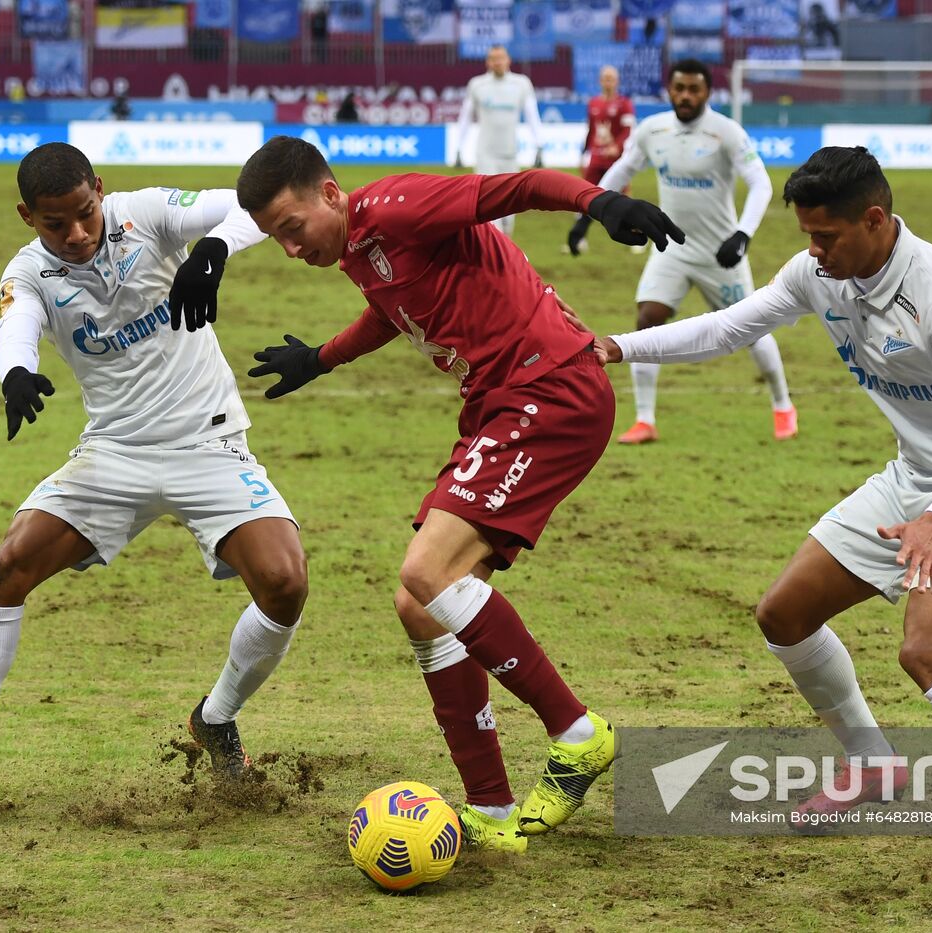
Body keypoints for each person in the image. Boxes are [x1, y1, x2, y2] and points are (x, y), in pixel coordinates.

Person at [597, 146, 932, 900]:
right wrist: (613, 347)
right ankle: (873, 764)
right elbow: (727, 327)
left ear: (876, 220)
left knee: (927, 649)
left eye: (826, 237)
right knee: (783, 613)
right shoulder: (817, 272)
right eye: (806, 236)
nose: (812, 252)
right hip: (913, 478)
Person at [229, 135, 684, 851]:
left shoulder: (401, 206)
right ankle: (493, 809)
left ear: (329, 194)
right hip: (498, 404)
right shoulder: (355, 249)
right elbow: (392, 310)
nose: (289, 248)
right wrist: (321, 358)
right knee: (419, 603)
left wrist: (601, 202)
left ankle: (578, 733)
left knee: (425, 572)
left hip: (548, 388)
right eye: (272, 238)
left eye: (291, 228)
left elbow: (519, 185)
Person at [0, 143, 308, 825]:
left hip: (208, 442)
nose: (75, 234)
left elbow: (251, 207)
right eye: (54, 224)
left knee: (285, 582)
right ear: (27, 217)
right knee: (9, 564)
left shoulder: (148, 214)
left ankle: (215, 717)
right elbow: (15, 327)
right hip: (115, 452)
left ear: (99, 190)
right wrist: (14, 373)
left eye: (84, 213)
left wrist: (212, 251)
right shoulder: (30, 273)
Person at [570, 58, 797, 445]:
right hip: (671, 248)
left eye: (694, 89)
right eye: (680, 88)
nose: (686, 96)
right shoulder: (652, 129)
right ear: (670, 91)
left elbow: (760, 183)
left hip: (722, 254)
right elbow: (623, 170)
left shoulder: (726, 132)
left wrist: (743, 234)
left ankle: (782, 405)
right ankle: (645, 419)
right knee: (647, 319)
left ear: (707, 92)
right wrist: (587, 213)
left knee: (753, 331)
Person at [453, 45, 545, 237]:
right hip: (485, 154)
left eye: (500, 58)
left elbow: (532, 116)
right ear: (488, 62)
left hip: (510, 154)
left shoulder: (521, 84)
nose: (497, 62)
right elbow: (465, 118)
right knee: (489, 205)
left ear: (508, 60)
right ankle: (496, 256)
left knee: (510, 210)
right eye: (493, 59)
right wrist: (459, 148)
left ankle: (504, 252)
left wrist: (539, 145)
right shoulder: (477, 85)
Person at [566, 65, 638, 256]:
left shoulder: (625, 104)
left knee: (624, 200)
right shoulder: (593, 103)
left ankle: (637, 237)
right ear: (600, 81)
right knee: (582, 197)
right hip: (596, 158)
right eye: (605, 78)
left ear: (617, 81)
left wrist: (618, 146)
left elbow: (628, 131)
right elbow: (590, 130)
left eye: (611, 78)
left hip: (616, 161)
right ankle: (579, 238)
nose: (608, 82)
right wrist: (584, 153)